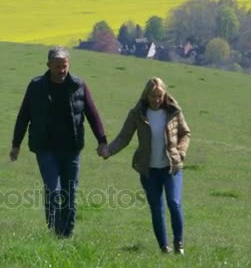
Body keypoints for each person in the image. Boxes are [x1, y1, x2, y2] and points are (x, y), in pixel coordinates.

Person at [10, 46, 108, 238]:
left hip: (71, 149)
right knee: (53, 191)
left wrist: (102, 141)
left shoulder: (78, 85)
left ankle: (66, 235)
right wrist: (16, 145)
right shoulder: (36, 86)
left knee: (69, 193)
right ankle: (54, 231)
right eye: (57, 67)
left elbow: (92, 113)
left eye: (64, 66)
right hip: (45, 149)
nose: (61, 71)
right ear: (48, 65)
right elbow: (24, 115)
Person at [99, 77, 190, 254]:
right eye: (153, 96)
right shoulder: (137, 114)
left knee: (174, 203)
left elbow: (185, 133)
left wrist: (181, 152)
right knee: (156, 209)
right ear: (146, 95)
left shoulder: (174, 111)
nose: (156, 100)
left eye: (159, 96)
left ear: (164, 95)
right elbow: (124, 137)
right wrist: (109, 151)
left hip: (171, 168)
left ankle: (179, 244)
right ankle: (164, 247)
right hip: (149, 170)